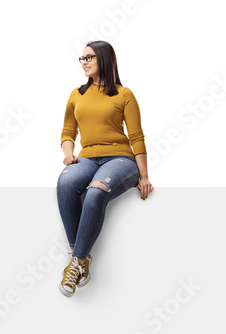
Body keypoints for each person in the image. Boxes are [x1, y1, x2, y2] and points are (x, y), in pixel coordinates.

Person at [56, 40, 153, 298]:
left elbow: (136, 136)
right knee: (65, 182)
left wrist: (144, 176)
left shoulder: (124, 94)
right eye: (82, 58)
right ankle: (81, 257)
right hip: (87, 158)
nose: (84, 62)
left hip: (120, 159)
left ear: (105, 60)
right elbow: (68, 131)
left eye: (90, 57)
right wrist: (68, 154)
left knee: (96, 191)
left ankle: (75, 262)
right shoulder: (77, 94)